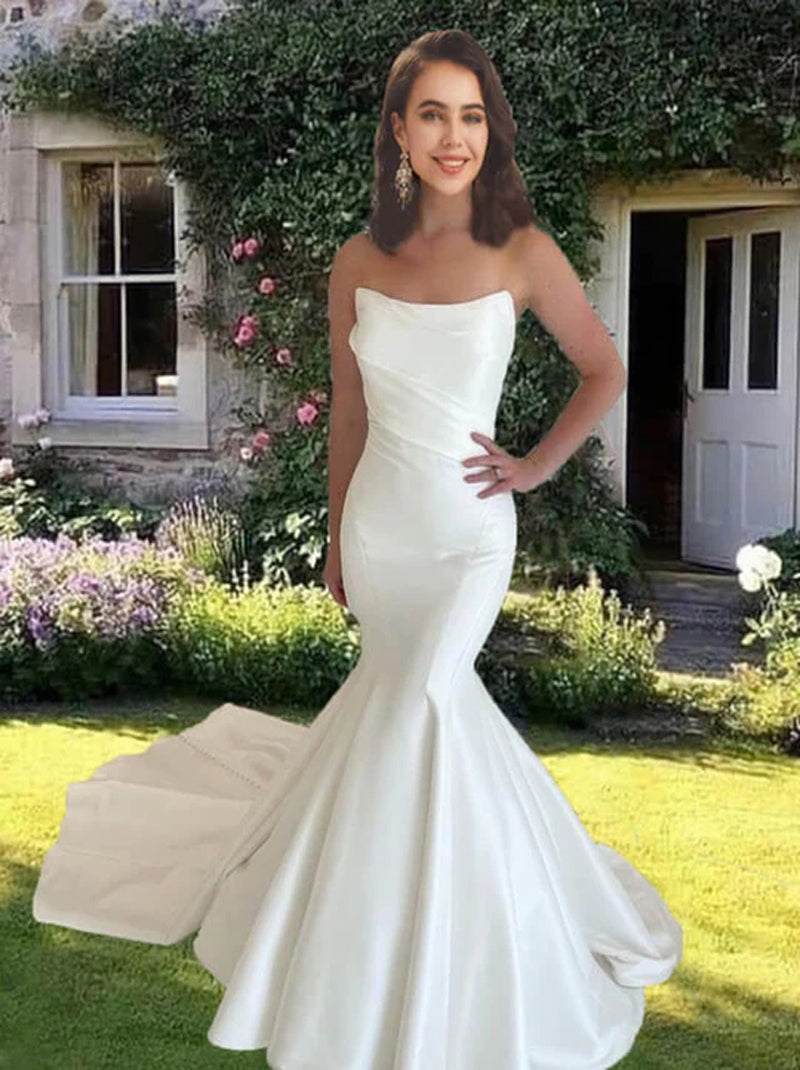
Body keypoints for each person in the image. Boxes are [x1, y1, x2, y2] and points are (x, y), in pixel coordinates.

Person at [32, 28, 683, 1070]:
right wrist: (339, 537)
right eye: (433, 114)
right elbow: (348, 413)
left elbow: (602, 369)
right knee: (409, 711)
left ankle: (422, 952)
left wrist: (531, 465)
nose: (454, 136)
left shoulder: (523, 250)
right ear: (399, 132)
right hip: (383, 526)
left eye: (471, 115)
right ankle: (379, 926)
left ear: (489, 131)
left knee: (423, 699)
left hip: (467, 535)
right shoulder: (357, 260)